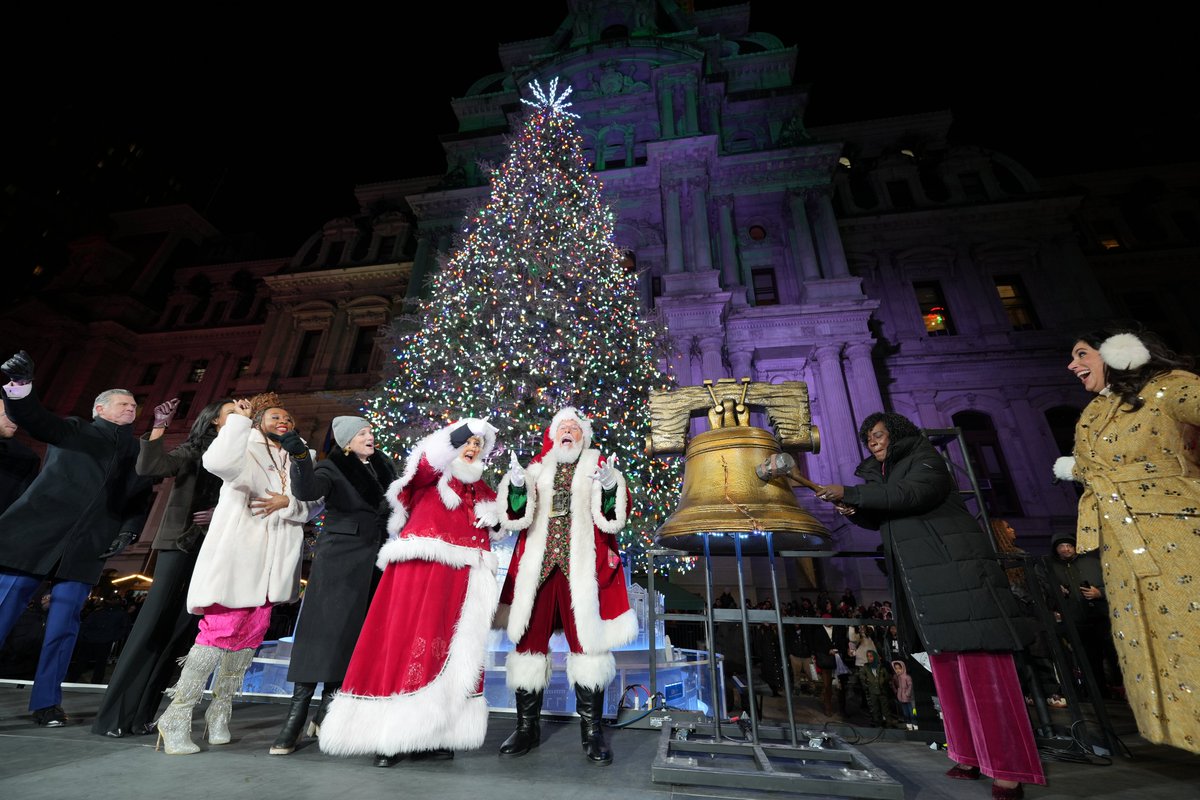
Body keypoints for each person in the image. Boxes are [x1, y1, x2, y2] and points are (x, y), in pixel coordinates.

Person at [799, 411, 1044, 798]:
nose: (874, 443)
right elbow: (888, 514)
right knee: (946, 674)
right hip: (923, 582)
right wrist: (856, 510)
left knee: (984, 676)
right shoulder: (886, 477)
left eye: (879, 435)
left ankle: (1008, 772)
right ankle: (966, 754)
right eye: (869, 440)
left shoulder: (927, 461)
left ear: (897, 434)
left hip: (958, 579)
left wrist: (851, 492)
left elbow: (910, 495)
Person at [317, 417, 503, 766]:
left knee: (447, 653)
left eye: (480, 443)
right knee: (406, 644)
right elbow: (429, 458)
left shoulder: (481, 489)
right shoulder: (431, 476)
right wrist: (464, 428)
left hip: (462, 581)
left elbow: (502, 518)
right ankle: (389, 737)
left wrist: (495, 519)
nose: (473, 447)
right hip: (422, 572)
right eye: (468, 441)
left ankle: (433, 732)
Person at [1056, 324, 1200, 753]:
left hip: (1175, 528)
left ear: (1119, 351)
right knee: (1149, 642)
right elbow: (1085, 466)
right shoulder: (1094, 413)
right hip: (1119, 542)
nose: (1072, 364)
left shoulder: (1168, 387)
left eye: (1082, 353)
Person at [153, 393, 322, 755]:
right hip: (239, 554)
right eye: (276, 415)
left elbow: (313, 504)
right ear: (259, 421)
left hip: (275, 562)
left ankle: (219, 712)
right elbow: (218, 463)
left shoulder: (298, 453)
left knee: (250, 635)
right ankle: (176, 716)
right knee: (220, 631)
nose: (284, 421)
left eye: (289, 417)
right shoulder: (242, 441)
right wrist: (238, 422)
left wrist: (288, 502)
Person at [0, 349, 153, 727]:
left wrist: (129, 530)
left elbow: (138, 497)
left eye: (134, 404)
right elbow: (34, 418)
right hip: (33, 537)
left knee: (64, 629)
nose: (130, 408)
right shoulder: (74, 429)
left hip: (87, 547)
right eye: (122, 403)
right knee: (2, 616)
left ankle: (46, 704)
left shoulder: (138, 451)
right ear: (99, 409)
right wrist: (19, 388)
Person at [493, 407, 636, 766]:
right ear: (554, 436)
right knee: (528, 644)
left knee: (589, 646)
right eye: (563, 428)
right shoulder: (537, 469)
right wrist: (515, 485)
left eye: (575, 428)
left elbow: (613, 517)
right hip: (539, 568)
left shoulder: (598, 466)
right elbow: (516, 516)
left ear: (583, 437)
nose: (569, 431)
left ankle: (592, 732)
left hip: (581, 569)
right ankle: (527, 727)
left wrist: (608, 485)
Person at [91, 397, 235, 738]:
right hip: (178, 543)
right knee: (152, 626)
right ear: (214, 421)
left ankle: (142, 715)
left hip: (214, 549)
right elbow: (152, 467)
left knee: (179, 634)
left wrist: (221, 512)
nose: (242, 417)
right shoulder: (196, 447)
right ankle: (113, 718)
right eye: (231, 413)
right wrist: (159, 427)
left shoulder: (242, 456)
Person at [268, 415, 398, 756]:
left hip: (376, 561)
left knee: (352, 638)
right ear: (345, 441)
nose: (370, 436)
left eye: (371, 431)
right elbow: (307, 491)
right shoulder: (332, 468)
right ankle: (295, 720)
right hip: (339, 559)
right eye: (363, 433)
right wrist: (299, 459)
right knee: (322, 634)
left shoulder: (384, 468)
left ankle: (328, 713)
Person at [1045, 532, 1119, 701]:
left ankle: (1121, 689)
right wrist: (1056, 592)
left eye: (1069, 546)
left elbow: (1115, 584)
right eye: (1061, 547)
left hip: (1102, 617)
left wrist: (1099, 593)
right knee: (1090, 661)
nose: (1065, 549)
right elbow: (1047, 593)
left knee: (1114, 655)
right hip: (1077, 621)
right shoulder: (1051, 568)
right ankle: (1100, 694)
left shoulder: (1092, 562)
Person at [892, 659, 916, 730]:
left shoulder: (907, 677)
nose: (898, 670)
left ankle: (915, 725)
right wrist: (896, 691)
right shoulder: (896, 677)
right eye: (896, 669)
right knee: (905, 712)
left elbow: (910, 685)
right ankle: (909, 725)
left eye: (899, 668)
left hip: (908, 698)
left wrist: (907, 693)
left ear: (903, 667)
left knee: (912, 712)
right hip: (901, 697)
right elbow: (893, 684)